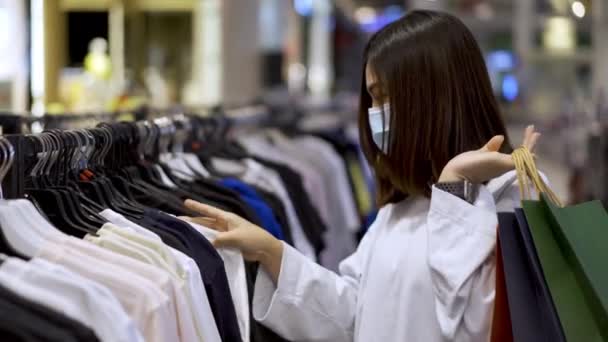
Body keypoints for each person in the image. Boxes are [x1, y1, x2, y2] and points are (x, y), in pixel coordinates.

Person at [183, 10, 540, 342]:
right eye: (371, 99)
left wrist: (454, 188)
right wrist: (271, 252)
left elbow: (482, 325)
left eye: (384, 97)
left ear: (433, 98)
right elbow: (354, 313)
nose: (375, 114)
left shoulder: (511, 198)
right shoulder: (401, 211)